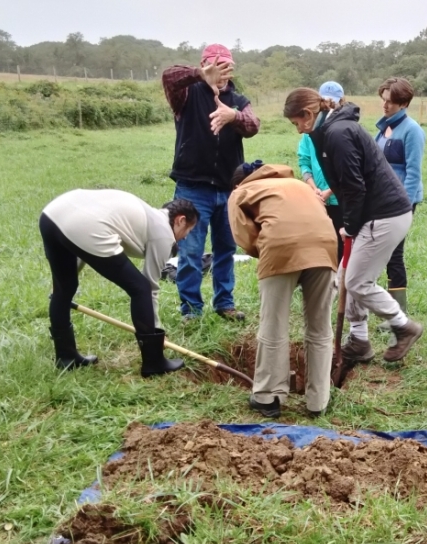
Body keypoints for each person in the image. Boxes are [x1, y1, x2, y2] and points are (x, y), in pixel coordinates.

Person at [274, 88, 423, 364]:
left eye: (296, 123)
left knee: (357, 281)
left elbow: (354, 187)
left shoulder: (337, 134)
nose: (297, 131)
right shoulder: (329, 130)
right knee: (345, 278)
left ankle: (403, 326)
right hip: (373, 214)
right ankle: (359, 340)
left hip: (384, 215)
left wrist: (350, 227)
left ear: (308, 114)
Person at [40, 190, 199, 377]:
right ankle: (154, 362)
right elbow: (150, 287)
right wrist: (156, 334)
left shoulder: (146, 217)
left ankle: (66, 357)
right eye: (188, 231)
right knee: (140, 288)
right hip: (83, 224)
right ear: (180, 220)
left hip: (52, 215)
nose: (185, 237)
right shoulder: (163, 233)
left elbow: (81, 240)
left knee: (64, 289)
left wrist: (64, 280)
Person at [228, 163, 338, 418]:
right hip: (325, 246)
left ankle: (268, 397)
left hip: (280, 247)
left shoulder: (240, 192)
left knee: (274, 323)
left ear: (237, 183)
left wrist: (272, 257)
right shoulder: (299, 184)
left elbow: (245, 237)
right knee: (320, 327)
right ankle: (318, 401)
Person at [161, 43, 260, 322]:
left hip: (229, 190)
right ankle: (191, 311)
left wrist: (233, 116)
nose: (224, 73)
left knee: (226, 249)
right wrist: (198, 74)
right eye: (218, 67)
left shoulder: (238, 100)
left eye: (228, 67)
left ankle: (224, 304)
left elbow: (253, 125)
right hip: (193, 187)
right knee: (190, 252)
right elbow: (169, 76)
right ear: (206, 65)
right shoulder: (187, 94)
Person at [374, 77, 425, 324]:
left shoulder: (413, 130)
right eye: (383, 100)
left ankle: (398, 313)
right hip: (382, 199)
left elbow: (414, 171)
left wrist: (403, 204)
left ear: (404, 103)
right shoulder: (383, 128)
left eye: (391, 102)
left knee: (394, 253)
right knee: (382, 252)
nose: (385, 106)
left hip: (401, 202)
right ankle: (385, 307)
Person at [298, 81, 346, 261]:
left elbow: (346, 171)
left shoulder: (341, 131)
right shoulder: (307, 133)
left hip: (339, 199)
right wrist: (313, 188)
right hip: (316, 198)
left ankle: (340, 284)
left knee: (341, 243)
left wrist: (329, 191)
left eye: (335, 102)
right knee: (319, 243)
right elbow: (304, 161)